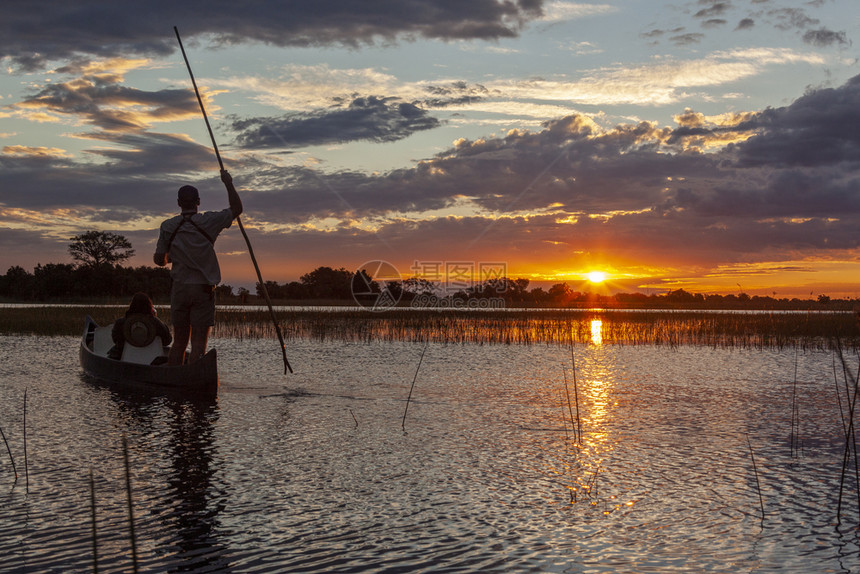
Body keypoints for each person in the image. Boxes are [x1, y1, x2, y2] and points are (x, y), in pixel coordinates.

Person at [153, 169, 242, 365]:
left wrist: (174, 255)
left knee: (179, 344)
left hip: (180, 289)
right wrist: (228, 182)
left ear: (178, 203)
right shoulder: (209, 220)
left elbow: (159, 259)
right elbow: (236, 209)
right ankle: (194, 383)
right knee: (199, 344)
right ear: (198, 202)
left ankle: (174, 382)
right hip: (202, 289)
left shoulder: (167, 226)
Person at [109, 292, 172, 360]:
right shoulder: (156, 323)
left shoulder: (120, 322)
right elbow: (167, 340)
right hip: (152, 359)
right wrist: (154, 317)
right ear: (149, 306)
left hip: (123, 358)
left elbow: (115, 339)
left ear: (132, 306)